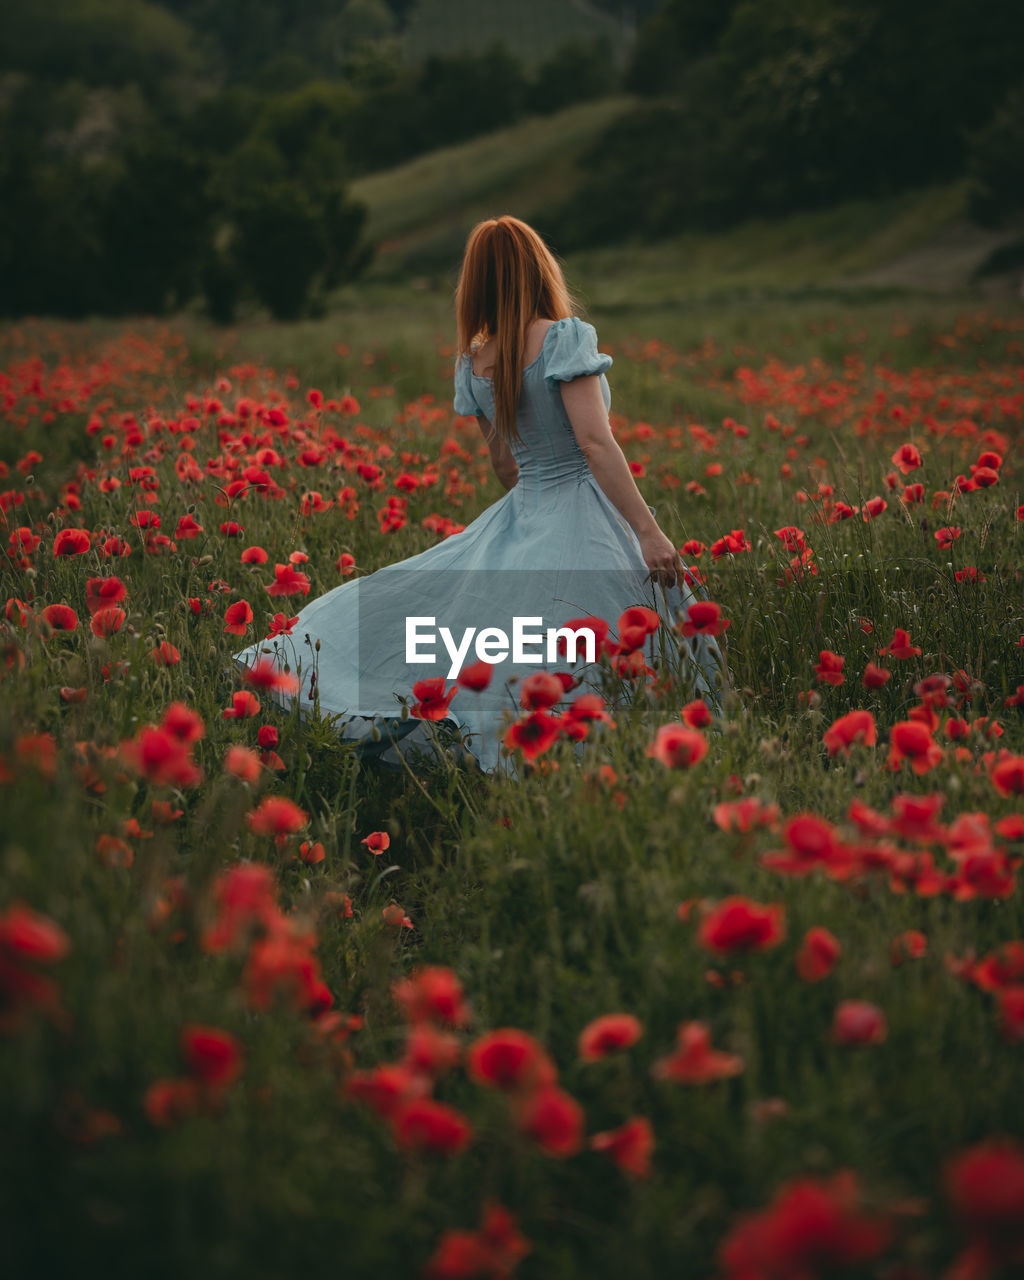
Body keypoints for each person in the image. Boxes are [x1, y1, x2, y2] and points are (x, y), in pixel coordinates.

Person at [234, 216, 726, 773]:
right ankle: (620, 763)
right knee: (602, 648)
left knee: (513, 645)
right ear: (539, 267)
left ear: (477, 283)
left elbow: (504, 463)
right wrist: (646, 530)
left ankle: (525, 751)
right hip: (583, 507)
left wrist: (530, 525)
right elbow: (594, 442)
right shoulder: (565, 338)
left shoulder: (475, 362)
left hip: (525, 509)